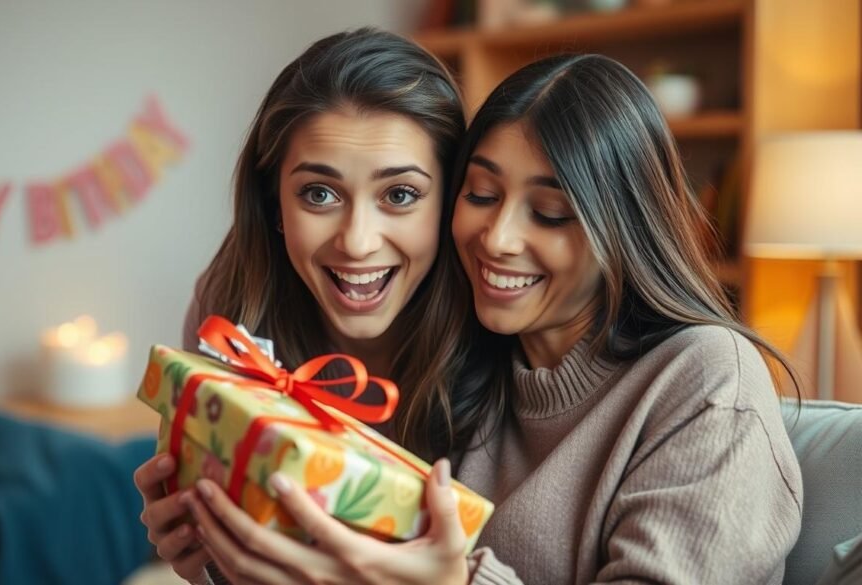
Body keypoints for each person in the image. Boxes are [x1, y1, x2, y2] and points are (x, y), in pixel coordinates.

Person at [184, 54, 804, 584]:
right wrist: (221, 551)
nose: (498, 238)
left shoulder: (706, 380)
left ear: (626, 228)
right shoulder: (468, 359)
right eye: (480, 195)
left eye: (551, 212)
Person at [133, 28, 509, 584]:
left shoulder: (506, 325)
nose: (357, 241)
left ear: (450, 202)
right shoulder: (230, 311)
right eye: (319, 194)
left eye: (400, 195)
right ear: (274, 203)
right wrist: (207, 560)